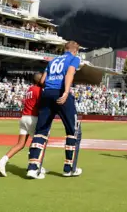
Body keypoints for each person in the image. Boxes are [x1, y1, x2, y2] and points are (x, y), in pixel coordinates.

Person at [26, 41, 82, 179]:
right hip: (61, 93)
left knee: (41, 131)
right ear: (75, 50)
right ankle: (69, 168)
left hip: (47, 94)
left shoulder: (53, 60)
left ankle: (33, 168)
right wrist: (65, 92)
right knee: (72, 131)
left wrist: (50, 88)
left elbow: (42, 80)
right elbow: (69, 74)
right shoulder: (74, 59)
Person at [0, 73, 43, 175]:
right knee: (38, 143)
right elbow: (40, 104)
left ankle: (2, 161)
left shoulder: (30, 89)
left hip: (24, 117)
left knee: (20, 144)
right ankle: (34, 166)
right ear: (39, 80)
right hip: (32, 118)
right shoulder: (38, 90)